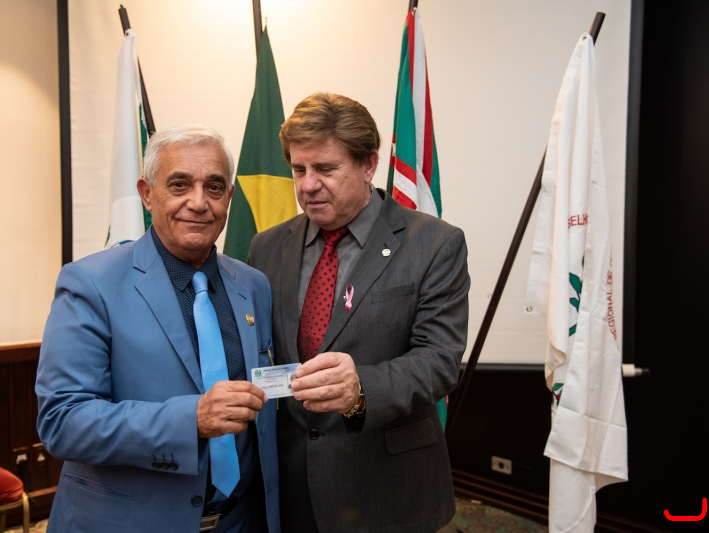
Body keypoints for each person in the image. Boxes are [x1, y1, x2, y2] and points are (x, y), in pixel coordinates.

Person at [36, 125, 280, 533]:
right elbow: (63, 421)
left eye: (214, 187)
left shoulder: (253, 285)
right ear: (147, 194)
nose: (198, 203)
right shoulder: (91, 283)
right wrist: (190, 419)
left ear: (229, 197)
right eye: (179, 185)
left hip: (241, 520)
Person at [248, 93, 470, 533]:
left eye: (325, 169)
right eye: (299, 170)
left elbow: (439, 360)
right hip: (291, 490)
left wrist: (360, 390)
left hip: (388, 488)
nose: (308, 185)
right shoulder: (266, 246)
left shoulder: (434, 243)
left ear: (369, 164)